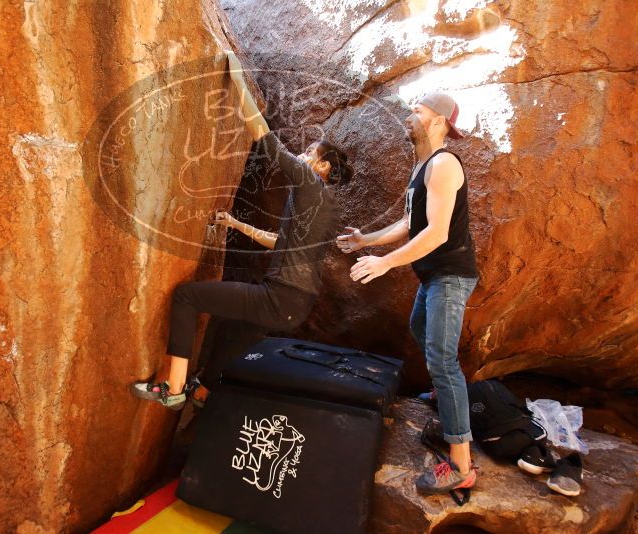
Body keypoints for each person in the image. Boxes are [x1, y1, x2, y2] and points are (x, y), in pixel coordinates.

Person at [131, 50, 351, 410]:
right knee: (230, 329)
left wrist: (236, 78)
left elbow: (263, 136)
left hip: (279, 298)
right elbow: (281, 243)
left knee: (188, 297)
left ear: (322, 166)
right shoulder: (325, 205)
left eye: (309, 152)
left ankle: (173, 388)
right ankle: (202, 393)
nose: (302, 155)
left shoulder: (310, 184)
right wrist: (236, 224)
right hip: (295, 307)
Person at [337, 93, 479, 494]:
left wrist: (385, 263)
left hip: (450, 275)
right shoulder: (422, 166)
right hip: (434, 277)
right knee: (421, 329)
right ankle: (442, 392)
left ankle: (461, 465)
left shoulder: (445, 164)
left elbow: (436, 232)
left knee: (442, 359)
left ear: (438, 122)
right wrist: (367, 241)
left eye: (416, 111)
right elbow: (409, 222)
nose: (408, 116)